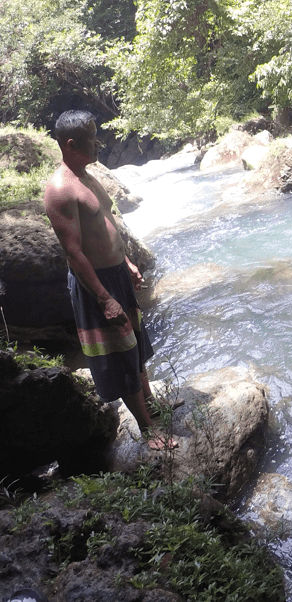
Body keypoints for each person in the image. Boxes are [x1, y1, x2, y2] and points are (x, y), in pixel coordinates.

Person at [43, 110, 176, 451]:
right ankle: (148, 430)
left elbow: (106, 224)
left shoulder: (89, 176)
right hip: (95, 285)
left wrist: (128, 262)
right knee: (120, 353)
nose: (99, 142)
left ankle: (152, 404)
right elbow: (74, 252)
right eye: (92, 136)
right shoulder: (60, 190)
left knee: (136, 346)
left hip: (116, 273)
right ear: (71, 144)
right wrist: (104, 297)